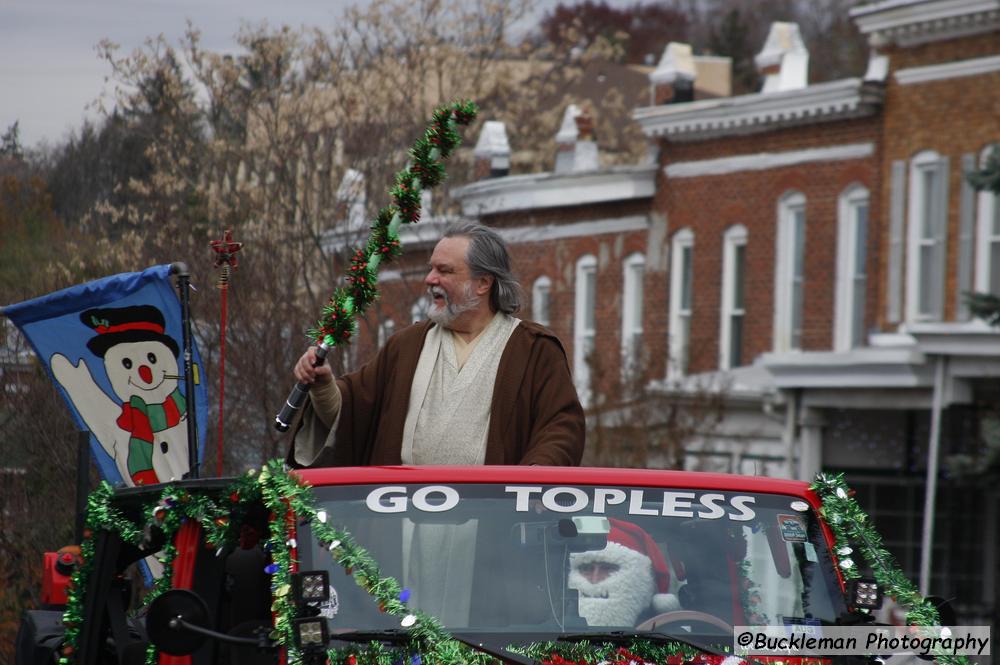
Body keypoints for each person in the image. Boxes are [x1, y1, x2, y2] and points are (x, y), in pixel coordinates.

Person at [287, 222, 585, 467]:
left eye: (444, 271)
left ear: (483, 283)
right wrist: (323, 385)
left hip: (491, 526)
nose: (430, 279)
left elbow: (561, 429)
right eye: (431, 269)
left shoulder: (534, 350)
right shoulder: (406, 346)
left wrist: (534, 478)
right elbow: (351, 418)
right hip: (403, 524)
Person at [568, 519, 681, 626]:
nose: (595, 579)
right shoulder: (555, 626)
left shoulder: (671, 637)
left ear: (639, 578)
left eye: (608, 568)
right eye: (586, 569)